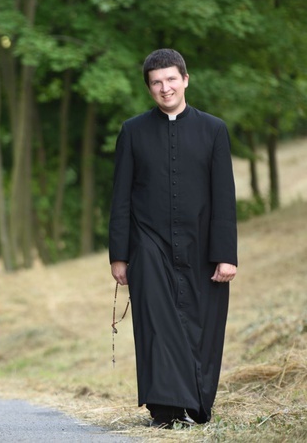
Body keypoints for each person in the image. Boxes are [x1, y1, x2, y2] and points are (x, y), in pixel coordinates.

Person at [109, 48, 238, 428]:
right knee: (156, 326)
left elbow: (224, 198)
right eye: (156, 82)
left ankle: (197, 403)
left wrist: (225, 254)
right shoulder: (132, 131)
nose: (165, 88)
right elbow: (120, 196)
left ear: (185, 79)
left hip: (202, 247)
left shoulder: (213, 129)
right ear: (149, 88)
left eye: (170, 79)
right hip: (148, 245)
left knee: (203, 324)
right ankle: (164, 410)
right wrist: (119, 254)